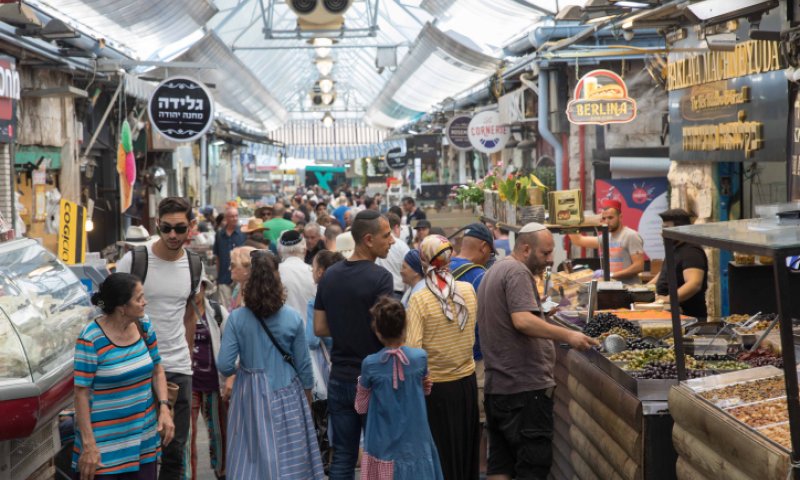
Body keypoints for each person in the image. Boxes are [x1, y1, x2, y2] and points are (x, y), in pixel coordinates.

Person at [478, 223, 598, 480]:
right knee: (532, 467)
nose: (550, 259)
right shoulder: (518, 272)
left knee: (501, 465)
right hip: (524, 393)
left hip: (498, 389)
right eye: (545, 253)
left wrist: (542, 310)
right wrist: (569, 335)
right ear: (525, 249)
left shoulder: (495, 270)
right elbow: (522, 320)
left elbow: (516, 315)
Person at [218, 251, 324, 479]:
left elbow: (225, 364)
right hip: (288, 392)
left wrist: (242, 370)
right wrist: (306, 399)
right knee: (290, 457)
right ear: (277, 280)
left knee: (249, 457)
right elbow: (304, 367)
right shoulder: (292, 318)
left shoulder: (237, 318)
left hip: (249, 395)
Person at [116, 197, 200, 479]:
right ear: (157, 225)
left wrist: (186, 353)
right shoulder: (135, 260)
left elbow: (190, 312)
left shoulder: (194, 265)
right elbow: (112, 312)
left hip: (177, 367)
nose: (173, 235)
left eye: (179, 228)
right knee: (137, 450)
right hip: (137, 368)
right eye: (166, 228)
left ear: (191, 227)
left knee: (175, 451)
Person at [313, 210, 395, 479]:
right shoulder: (381, 278)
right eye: (387, 235)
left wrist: (346, 330)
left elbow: (319, 327)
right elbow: (386, 331)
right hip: (373, 379)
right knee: (378, 456)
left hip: (339, 377)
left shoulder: (330, 275)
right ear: (369, 239)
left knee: (344, 457)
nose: (392, 240)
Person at [73, 273, 175, 480]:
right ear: (122, 307)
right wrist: (89, 445)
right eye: (139, 298)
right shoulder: (91, 339)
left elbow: (157, 369)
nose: (144, 302)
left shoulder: (143, 325)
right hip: (104, 449)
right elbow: (81, 393)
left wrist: (164, 407)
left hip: (143, 442)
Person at [406, 235, 479, 480]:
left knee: (441, 454)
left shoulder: (420, 299)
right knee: (465, 450)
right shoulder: (468, 291)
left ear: (424, 260)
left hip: (434, 389)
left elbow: (413, 350)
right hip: (467, 383)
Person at [355, 296, 444, 480]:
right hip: (416, 442)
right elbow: (426, 390)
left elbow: (360, 406)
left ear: (377, 331)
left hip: (382, 443)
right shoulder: (419, 358)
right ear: (405, 327)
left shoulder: (370, 364)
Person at [190, 277, 229, 480]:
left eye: (198, 286)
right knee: (187, 439)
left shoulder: (217, 312)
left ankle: (222, 473)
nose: (194, 291)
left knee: (219, 435)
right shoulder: (178, 312)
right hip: (188, 386)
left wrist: (230, 378)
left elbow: (232, 344)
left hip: (214, 384)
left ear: (204, 287)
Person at [568, 199, 645, 284]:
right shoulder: (606, 237)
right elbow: (578, 240)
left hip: (630, 289)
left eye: (611, 218)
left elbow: (639, 266)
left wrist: (611, 275)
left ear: (620, 217)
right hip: (612, 288)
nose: (607, 222)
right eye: (604, 218)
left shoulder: (631, 235)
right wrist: (569, 219)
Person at [653, 209, 708, 319]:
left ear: (680, 229)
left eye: (666, 228)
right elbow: (665, 272)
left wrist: (668, 299)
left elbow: (694, 283)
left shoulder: (691, 252)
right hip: (669, 313)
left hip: (687, 318)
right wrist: (645, 288)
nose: (662, 233)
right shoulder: (674, 248)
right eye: (662, 228)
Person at [278, 230, 317, 326]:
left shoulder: (274, 273)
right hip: (310, 334)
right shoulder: (313, 273)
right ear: (304, 249)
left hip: (282, 333)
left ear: (281, 251)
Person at [213, 207, 247, 308]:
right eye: (232, 216)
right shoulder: (219, 234)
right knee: (224, 307)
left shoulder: (243, 233)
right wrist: (218, 276)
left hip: (240, 278)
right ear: (226, 218)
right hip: (224, 277)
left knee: (240, 307)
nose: (235, 218)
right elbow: (218, 257)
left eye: (236, 216)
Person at [376, 212, 411, 300]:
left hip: (378, 293)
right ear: (396, 227)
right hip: (397, 294)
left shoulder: (376, 243)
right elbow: (410, 271)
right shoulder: (402, 246)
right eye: (400, 229)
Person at [229, 246, 256, 311]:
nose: (229, 269)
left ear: (247, 269)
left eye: (233, 265)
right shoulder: (238, 288)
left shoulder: (256, 292)